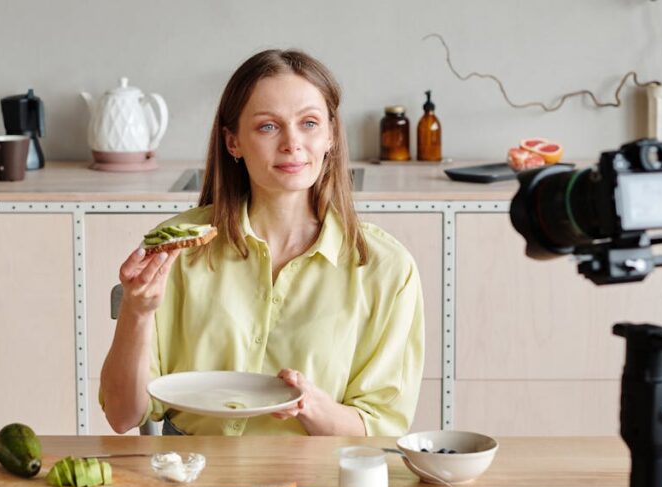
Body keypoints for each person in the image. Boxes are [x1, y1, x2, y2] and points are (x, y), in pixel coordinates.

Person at [99, 49, 424, 436]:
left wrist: (310, 404)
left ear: (331, 136)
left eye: (309, 123)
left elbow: (381, 429)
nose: (292, 143)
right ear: (233, 141)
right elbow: (121, 415)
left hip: (319, 480)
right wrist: (137, 310)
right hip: (193, 475)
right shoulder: (179, 252)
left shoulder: (385, 268)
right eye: (268, 126)